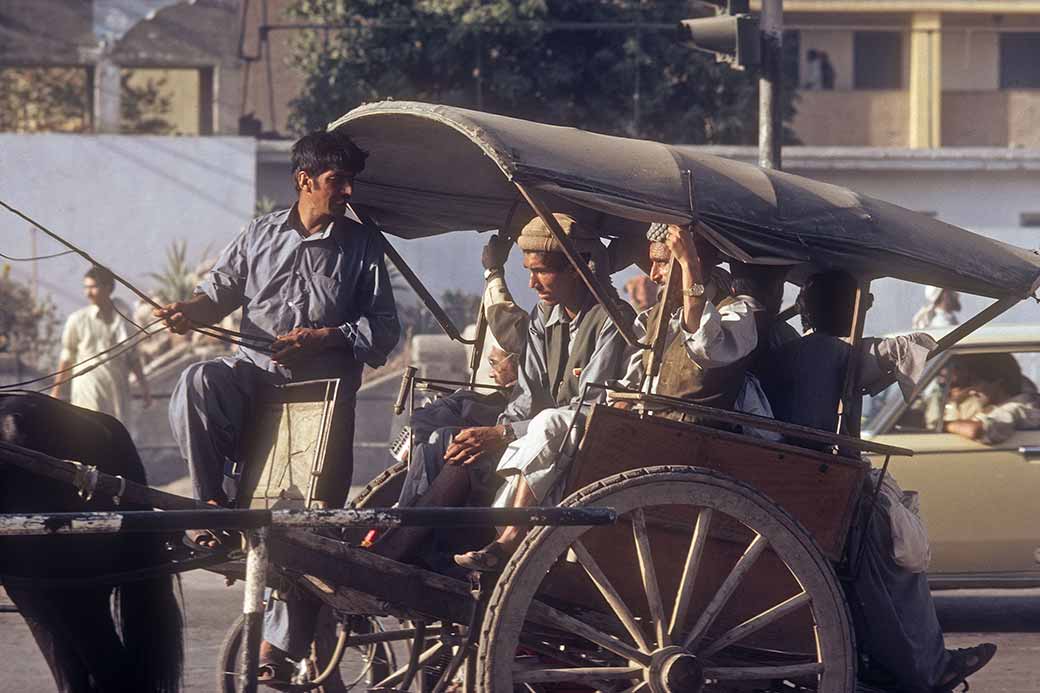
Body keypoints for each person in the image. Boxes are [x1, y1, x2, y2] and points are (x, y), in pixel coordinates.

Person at [764, 271, 995, 693]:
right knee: (886, 543)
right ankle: (926, 666)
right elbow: (906, 347)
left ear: (803, 309)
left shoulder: (788, 349)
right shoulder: (835, 352)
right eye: (862, 304)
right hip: (813, 481)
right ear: (856, 308)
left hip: (790, 473)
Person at [449, 213, 634, 572]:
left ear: (578, 270)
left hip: (588, 434)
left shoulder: (612, 319)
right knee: (449, 424)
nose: (532, 283)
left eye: (542, 271)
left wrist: (504, 434)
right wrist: (504, 432)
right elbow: (526, 394)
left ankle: (507, 544)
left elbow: (590, 407)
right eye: (528, 270)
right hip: (541, 435)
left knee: (550, 421)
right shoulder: (543, 315)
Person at [613, 224, 775, 430]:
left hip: (695, 437)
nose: (653, 275)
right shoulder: (652, 317)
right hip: (643, 427)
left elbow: (703, 346)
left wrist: (689, 266)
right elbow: (632, 383)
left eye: (661, 263)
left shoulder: (736, 315)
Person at [51, 266, 151, 423]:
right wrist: (56, 391)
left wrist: (144, 387)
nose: (88, 293)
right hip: (89, 388)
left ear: (108, 288)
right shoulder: (77, 320)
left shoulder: (124, 319)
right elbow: (67, 357)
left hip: (117, 388)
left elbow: (133, 356)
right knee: (90, 432)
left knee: (118, 432)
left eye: (93, 287)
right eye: (86, 287)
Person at [943, 353, 1040, 444]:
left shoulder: (1018, 407)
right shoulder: (998, 404)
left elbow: (974, 430)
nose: (972, 390)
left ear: (998, 383)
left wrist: (944, 425)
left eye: (977, 383)